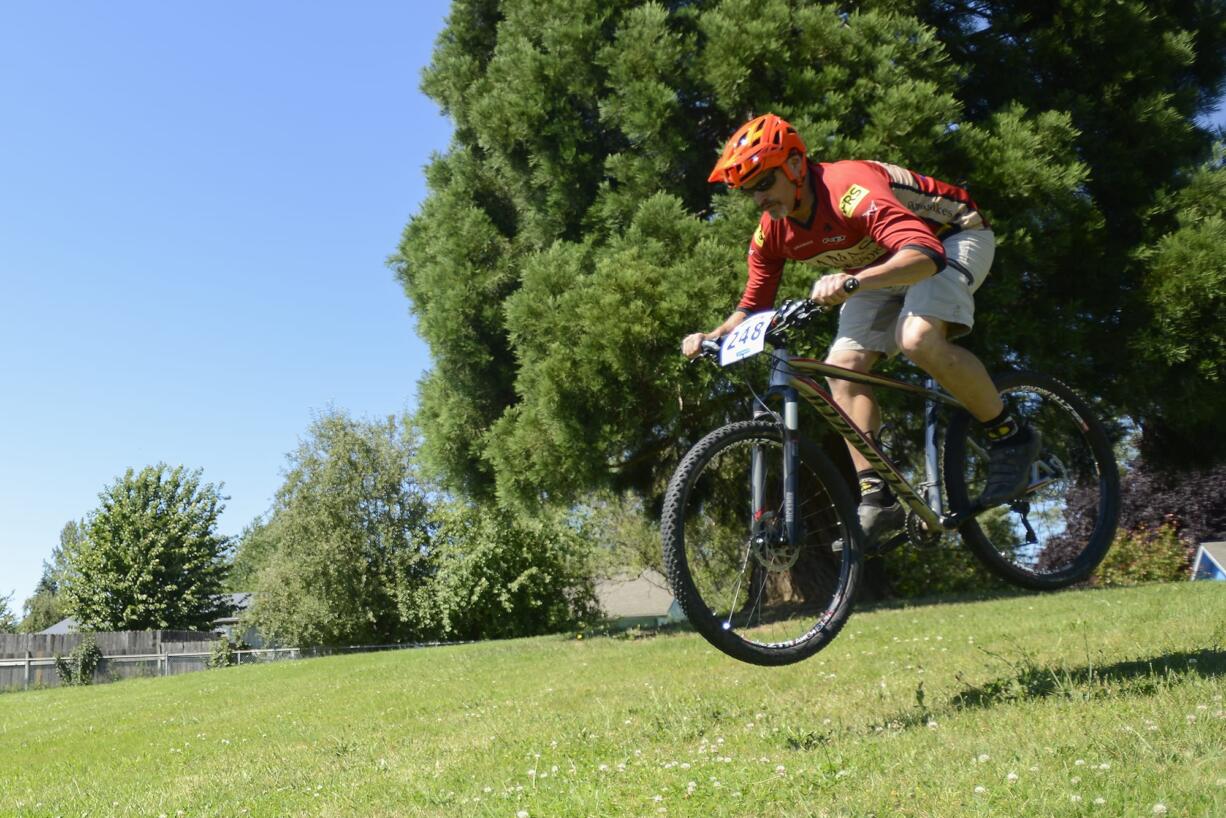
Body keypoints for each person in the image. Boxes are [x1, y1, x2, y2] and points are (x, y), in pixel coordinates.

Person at [682, 113, 1039, 546]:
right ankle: (878, 497)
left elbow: (924, 254)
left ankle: (1011, 436)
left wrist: (854, 282)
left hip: (948, 238)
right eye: (748, 190)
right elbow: (754, 304)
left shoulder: (849, 190)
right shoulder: (772, 231)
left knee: (917, 338)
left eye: (763, 184)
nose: (758, 199)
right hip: (876, 267)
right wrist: (714, 337)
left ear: (795, 166)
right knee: (840, 367)